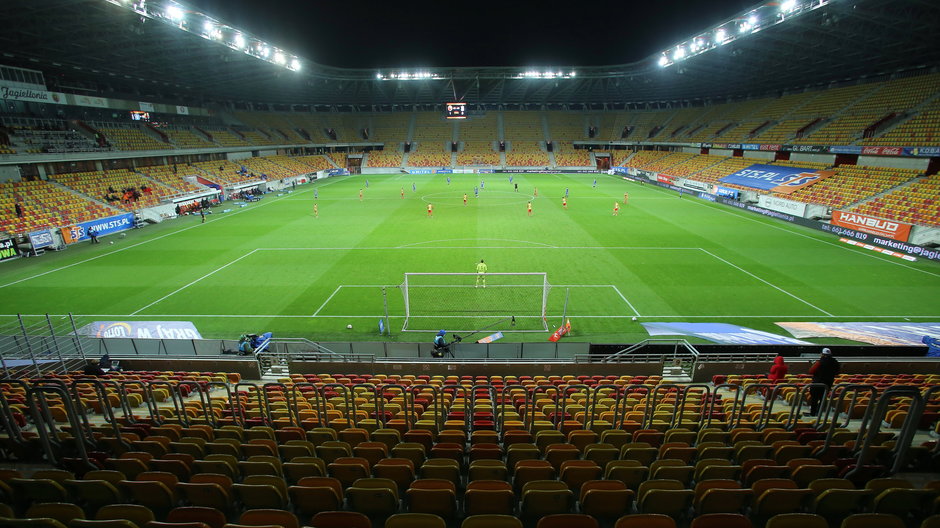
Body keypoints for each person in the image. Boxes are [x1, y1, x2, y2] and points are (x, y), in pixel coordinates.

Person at [808, 348, 840, 416]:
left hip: (817, 383)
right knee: (823, 399)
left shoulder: (819, 363)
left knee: (814, 399)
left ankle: (813, 413)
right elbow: (837, 372)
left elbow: (811, 371)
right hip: (828, 384)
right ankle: (819, 413)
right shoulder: (835, 363)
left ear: (822, 354)